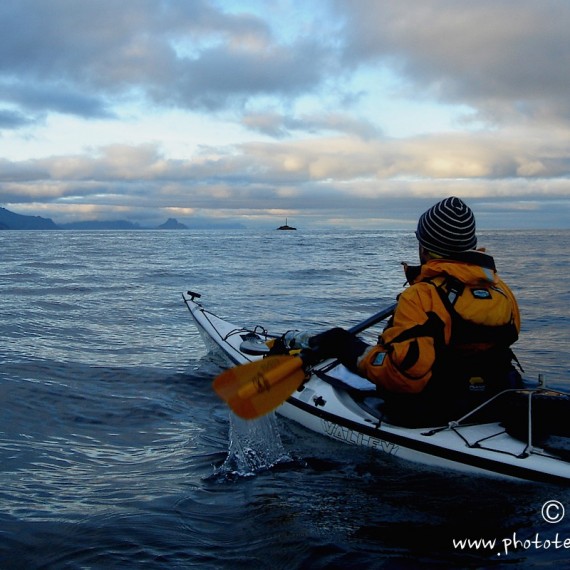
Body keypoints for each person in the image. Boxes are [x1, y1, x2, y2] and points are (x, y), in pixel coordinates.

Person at [309, 196, 522, 426]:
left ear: (426, 248)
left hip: (432, 412)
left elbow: (403, 376)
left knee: (343, 340)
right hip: (490, 401)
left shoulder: (420, 297)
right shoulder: (501, 290)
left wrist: (351, 349)